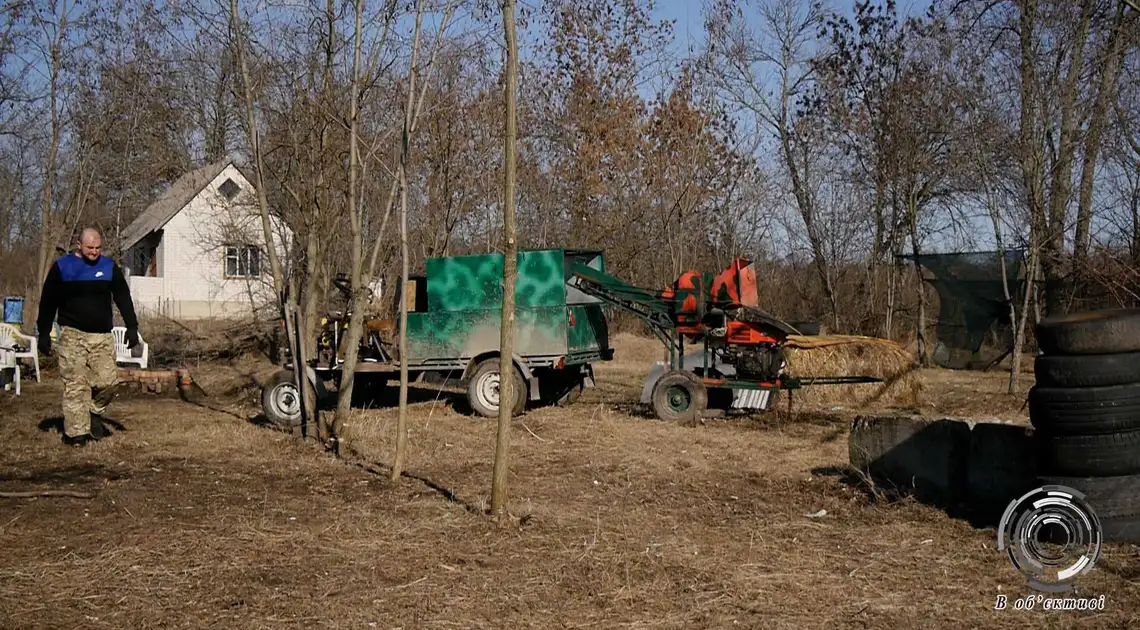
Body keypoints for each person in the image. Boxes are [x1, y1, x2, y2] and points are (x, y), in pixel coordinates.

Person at [36, 226, 140, 447]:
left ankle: (95, 412)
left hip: (101, 336)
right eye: (90, 247)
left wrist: (132, 326)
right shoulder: (63, 267)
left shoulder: (108, 267)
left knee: (109, 382)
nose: (94, 252)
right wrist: (43, 332)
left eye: (98, 248)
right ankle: (77, 435)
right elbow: (48, 301)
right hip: (72, 334)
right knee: (75, 385)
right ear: (79, 245)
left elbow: (122, 296)